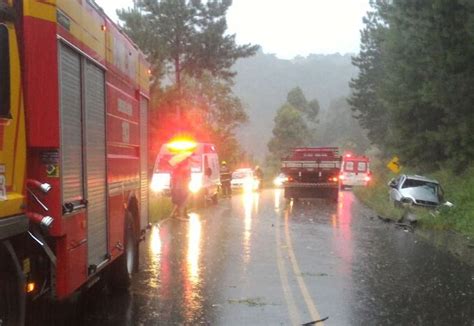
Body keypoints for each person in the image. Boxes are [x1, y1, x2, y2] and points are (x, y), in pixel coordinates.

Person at [170, 156, 191, 221]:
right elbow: (185, 178)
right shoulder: (183, 169)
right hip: (180, 187)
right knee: (180, 201)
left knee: (180, 201)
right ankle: (176, 214)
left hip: (177, 187)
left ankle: (179, 214)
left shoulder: (176, 169)